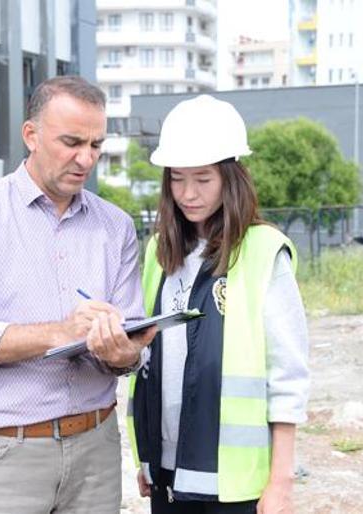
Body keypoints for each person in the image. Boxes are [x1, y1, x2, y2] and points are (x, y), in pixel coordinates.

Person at [0, 75, 155, 514]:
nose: (86, 158)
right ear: (31, 135)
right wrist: (62, 332)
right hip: (3, 458)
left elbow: (133, 351)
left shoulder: (116, 227)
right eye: (72, 142)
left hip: (96, 451)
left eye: (96, 145)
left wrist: (123, 352)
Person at [128, 95, 310, 514]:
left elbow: (287, 376)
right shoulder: (160, 251)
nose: (187, 193)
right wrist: (147, 455)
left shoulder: (264, 251)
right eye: (176, 179)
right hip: (168, 470)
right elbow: (150, 362)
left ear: (231, 177)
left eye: (203, 179)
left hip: (234, 480)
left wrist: (281, 481)